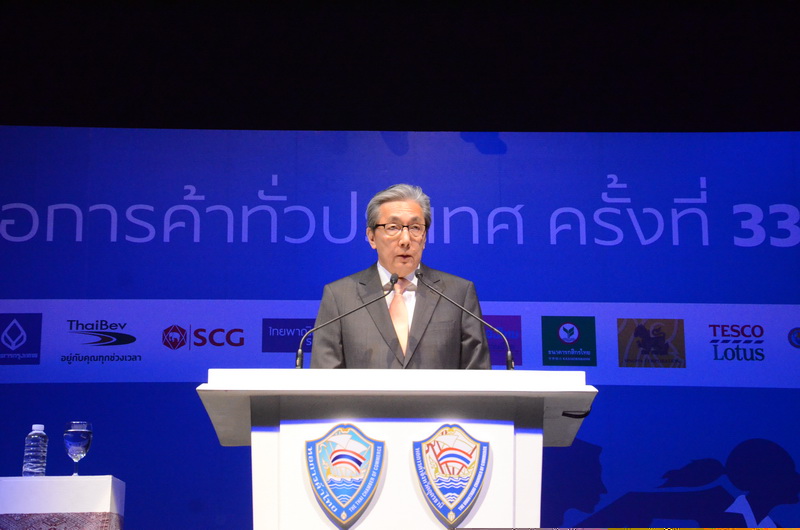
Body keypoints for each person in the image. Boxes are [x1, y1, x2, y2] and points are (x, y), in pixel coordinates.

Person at [310, 184, 491, 369]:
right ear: (371, 237)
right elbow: (325, 379)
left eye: (415, 228)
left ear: (424, 237)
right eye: (393, 227)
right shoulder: (339, 297)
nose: (405, 240)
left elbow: (478, 375)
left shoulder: (458, 294)